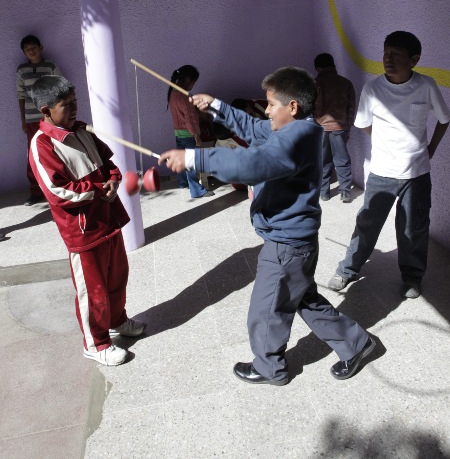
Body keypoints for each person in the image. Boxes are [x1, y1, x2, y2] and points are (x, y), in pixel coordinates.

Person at [159, 67, 375, 385]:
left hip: (287, 245)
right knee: (301, 298)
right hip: (297, 242)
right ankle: (355, 343)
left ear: (292, 107)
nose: (267, 110)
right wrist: (216, 106)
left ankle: (269, 367)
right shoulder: (296, 127)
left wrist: (195, 159)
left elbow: (253, 164)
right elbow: (253, 127)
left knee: (266, 309)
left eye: (272, 104)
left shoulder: (293, 139)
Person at [28, 75, 145, 365]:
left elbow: (108, 164)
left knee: (117, 278)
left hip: (109, 220)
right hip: (83, 231)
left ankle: (117, 320)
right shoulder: (42, 144)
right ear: (46, 110)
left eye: (75, 101)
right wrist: (96, 190)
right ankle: (96, 343)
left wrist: (114, 180)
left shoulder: (82, 130)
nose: (74, 108)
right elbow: (57, 191)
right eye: (65, 105)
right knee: (93, 291)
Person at [328, 31, 450, 300]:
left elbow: (444, 119)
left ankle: (412, 277)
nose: (388, 59)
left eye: (396, 54)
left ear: (414, 60)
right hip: (382, 172)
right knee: (367, 223)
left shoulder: (426, 86)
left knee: (413, 228)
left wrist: (430, 149)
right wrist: (384, 143)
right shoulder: (373, 89)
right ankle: (348, 269)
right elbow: (363, 124)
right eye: (385, 53)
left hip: (417, 174)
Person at [16, 35, 63, 205]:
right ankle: (36, 191)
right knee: (33, 154)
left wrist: (59, 115)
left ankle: (59, 186)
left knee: (55, 151)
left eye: (34, 47)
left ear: (41, 47)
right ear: (24, 52)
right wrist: (23, 118)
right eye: (27, 49)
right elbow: (21, 95)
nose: (31, 51)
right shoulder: (22, 70)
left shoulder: (50, 66)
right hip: (31, 120)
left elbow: (61, 88)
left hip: (50, 118)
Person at [167, 65, 214, 198]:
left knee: (181, 159)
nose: (193, 86)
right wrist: (196, 135)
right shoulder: (184, 97)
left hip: (178, 133)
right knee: (190, 162)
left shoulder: (173, 93)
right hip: (189, 134)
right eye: (193, 82)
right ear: (188, 80)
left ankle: (183, 183)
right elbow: (190, 119)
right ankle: (197, 190)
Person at [314, 53, 356, 203]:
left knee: (322, 160)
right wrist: (348, 126)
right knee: (342, 159)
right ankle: (345, 192)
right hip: (340, 126)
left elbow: (309, 108)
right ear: (333, 65)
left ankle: (324, 193)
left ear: (318, 68)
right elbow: (351, 107)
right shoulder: (346, 83)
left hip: (320, 128)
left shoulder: (314, 84)